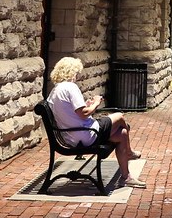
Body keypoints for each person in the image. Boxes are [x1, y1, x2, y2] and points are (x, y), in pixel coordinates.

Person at [46, 56, 145, 188]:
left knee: (122, 134)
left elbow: (75, 111)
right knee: (120, 116)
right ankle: (129, 152)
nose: (78, 76)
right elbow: (84, 113)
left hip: (71, 137)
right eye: (77, 72)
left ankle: (126, 177)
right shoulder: (70, 87)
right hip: (87, 134)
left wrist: (88, 105)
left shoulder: (55, 91)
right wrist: (96, 103)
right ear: (71, 72)